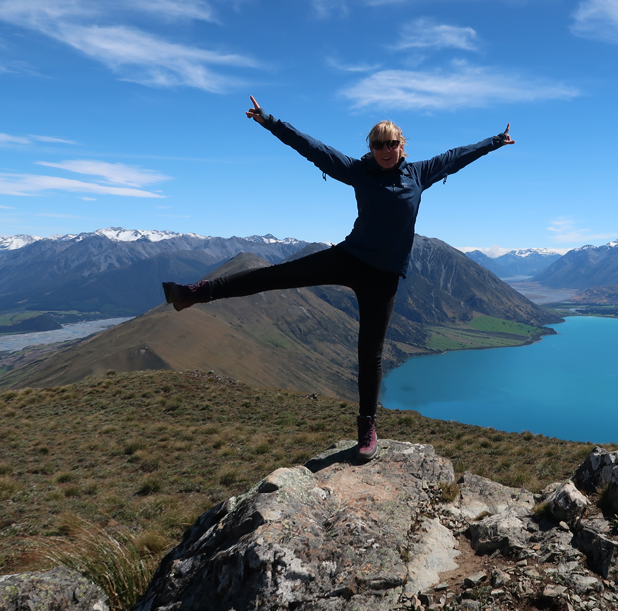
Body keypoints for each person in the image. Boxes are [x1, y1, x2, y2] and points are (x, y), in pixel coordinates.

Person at [162, 96, 514, 461]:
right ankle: (196, 293)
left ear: (402, 145)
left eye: (392, 143)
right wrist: (270, 122)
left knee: (370, 354)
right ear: (371, 147)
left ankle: (367, 427)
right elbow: (313, 148)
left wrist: (495, 141)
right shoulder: (358, 171)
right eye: (378, 144)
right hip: (350, 259)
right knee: (276, 275)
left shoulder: (419, 173)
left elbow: (457, 157)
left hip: (384, 278)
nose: (386, 150)